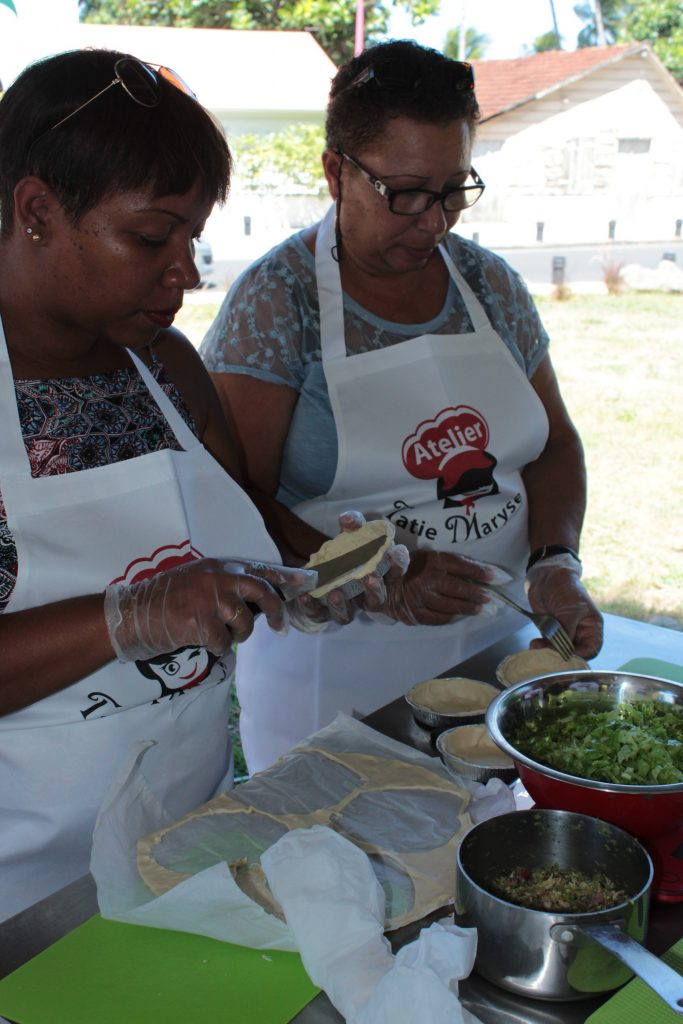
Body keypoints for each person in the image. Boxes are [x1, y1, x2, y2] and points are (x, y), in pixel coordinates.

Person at [0, 47, 355, 923]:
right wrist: (133, 616)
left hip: (186, 834)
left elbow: (243, 519)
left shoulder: (161, 366)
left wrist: (343, 568)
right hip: (19, 887)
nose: (186, 275)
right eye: (152, 237)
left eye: (192, 241)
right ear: (38, 210)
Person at [200, 39, 604, 774]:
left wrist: (556, 561)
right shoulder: (277, 301)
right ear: (335, 172)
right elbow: (233, 503)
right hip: (333, 677)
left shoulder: (489, 286)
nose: (434, 221)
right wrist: (381, 577)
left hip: (494, 653)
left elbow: (552, 447)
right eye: (407, 192)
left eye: (454, 190)